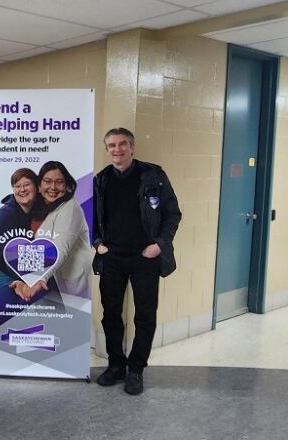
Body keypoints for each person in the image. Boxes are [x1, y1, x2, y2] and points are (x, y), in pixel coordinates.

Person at [93, 128, 181, 395]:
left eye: (122, 144)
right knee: (111, 315)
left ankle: (136, 370)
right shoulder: (102, 179)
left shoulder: (153, 176)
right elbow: (91, 217)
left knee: (144, 316)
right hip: (113, 257)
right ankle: (116, 365)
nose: (117, 150)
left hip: (146, 257)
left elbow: (172, 213)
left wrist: (160, 245)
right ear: (106, 149)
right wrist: (98, 243)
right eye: (111, 145)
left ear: (132, 147)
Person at [9, 162, 92, 303]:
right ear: (39, 186)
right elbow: (35, 248)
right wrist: (23, 278)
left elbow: (60, 247)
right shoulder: (41, 208)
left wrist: (39, 279)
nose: (53, 187)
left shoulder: (70, 208)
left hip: (70, 282)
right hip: (50, 280)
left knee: (72, 323)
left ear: (66, 185)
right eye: (47, 181)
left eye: (59, 182)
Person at [0, 168, 43, 309]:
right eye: (17, 186)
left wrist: (33, 278)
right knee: (3, 317)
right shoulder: (5, 215)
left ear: (36, 187)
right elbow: (9, 254)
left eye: (26, 185)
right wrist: (21, 281)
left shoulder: (42, 210)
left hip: (28, 271)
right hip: (2, 272)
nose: (22, 190)